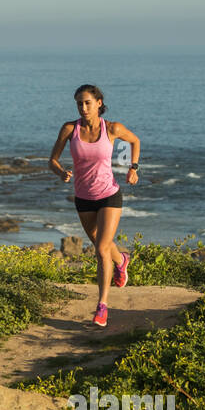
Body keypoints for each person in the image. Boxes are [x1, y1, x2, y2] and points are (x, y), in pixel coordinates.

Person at [47, 84, 141, 327]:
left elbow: (135, 141)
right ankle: (121, 261)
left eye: (88, 102)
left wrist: (133, 168)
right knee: (103, 244)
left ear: (99, 103)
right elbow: (52, 160)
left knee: (100, 249)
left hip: (109, 195)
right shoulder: (70, 129)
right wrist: (61, 173)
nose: (83, 107)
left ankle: (102, 306)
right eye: (79, 103)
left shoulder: (112, 128)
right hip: (83, 198)